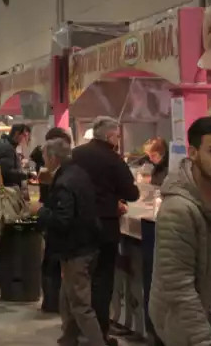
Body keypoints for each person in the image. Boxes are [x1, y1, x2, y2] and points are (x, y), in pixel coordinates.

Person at [149, 117, 211, 345]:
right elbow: (178, 287)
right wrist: (203, 340)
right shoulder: (178, 209)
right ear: (194, 153)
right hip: (198, 318)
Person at [72, 116, 139, 344]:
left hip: (79, 225)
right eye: (117, 136)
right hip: (106, 227)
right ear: (111, 136)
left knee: (79, 281)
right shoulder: (113, 159)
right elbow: (132, 193)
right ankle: (100, 331)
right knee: (102, 280)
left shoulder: (77, 154)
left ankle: (76, 330)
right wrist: (114, 200)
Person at [31, 139, 104, 346]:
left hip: (76, 248)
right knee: (67, 297)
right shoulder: (78, 173)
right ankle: (68, 338)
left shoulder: (65, 182)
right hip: (85, 243)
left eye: (45, 157)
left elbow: (63, 220)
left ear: (53, 158)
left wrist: (40, 211)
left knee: (80, 304)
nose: (44, 162)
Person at [34, 127, 73, 314]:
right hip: (61, 232)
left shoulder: (64, 179)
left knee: (53, 267)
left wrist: (40, 211)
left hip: (65, 235)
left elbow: (62, 216)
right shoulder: (66, 174)